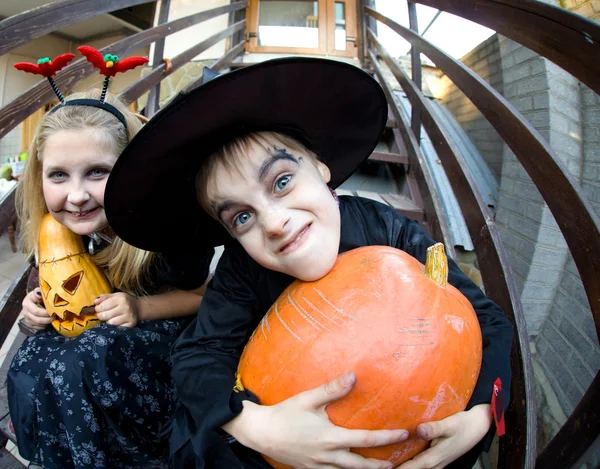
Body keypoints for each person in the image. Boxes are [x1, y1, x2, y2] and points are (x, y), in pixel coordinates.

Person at [104, 58, 513, 469]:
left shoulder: (390, 231)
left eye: (282, 182)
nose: (275, 222)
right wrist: (257, 426)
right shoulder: (242, 269)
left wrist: (481, 414)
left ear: (319, 168)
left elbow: (484, 319)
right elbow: (198, 354)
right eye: (242, 217)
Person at [7, 88, 214, 469]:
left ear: (130, 170)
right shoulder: (60, 232)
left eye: (97, 172)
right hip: (97, 329)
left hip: (164, 330)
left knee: (81, 360)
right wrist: (35, 306)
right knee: (33, 358)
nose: (76, 195)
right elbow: (56, 290)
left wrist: (140, 306)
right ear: (40, 179)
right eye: (58, 175)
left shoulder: (161, 230)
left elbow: (205, 295)